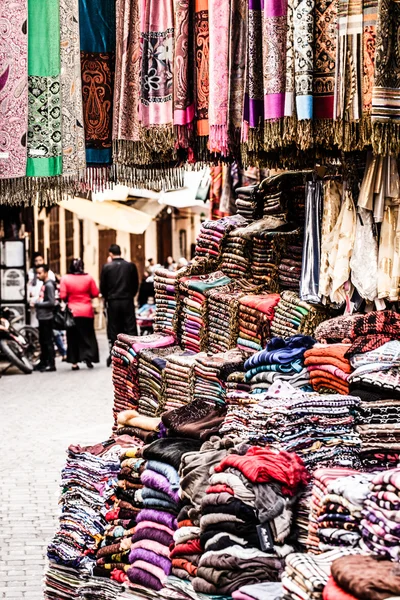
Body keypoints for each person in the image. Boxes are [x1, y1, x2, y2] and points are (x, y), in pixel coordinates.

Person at [100, 244, 139, 366]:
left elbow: (103, 287)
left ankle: (115, 353)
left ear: (110, 254)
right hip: (127, 300)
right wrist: (130, 295)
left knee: (114, 328)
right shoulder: (130, 266)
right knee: (130, 327)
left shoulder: (106, 267)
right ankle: (133, 353)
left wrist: (107, 298)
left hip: (113, 301)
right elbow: (135, 284)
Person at [59, 259, 100, 371]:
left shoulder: (65, 278)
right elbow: (95, 293)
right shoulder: (89, 278)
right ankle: (88, 357)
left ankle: (74, 362)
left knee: (72, 337)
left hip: (73, 312)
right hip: (87, 311)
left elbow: (62, 295)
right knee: (87, 335)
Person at [32, 264, 56, 372]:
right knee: (43, 341)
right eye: (37, 273)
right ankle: (44, 362)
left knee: (47, 341)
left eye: (40, 273)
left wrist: (37, 304)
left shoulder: (49, 285)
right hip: (42, 317)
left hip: (47, 317)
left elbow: (51, 302)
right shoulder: (45, 284)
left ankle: (51, 364)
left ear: (46, 273)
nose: (38, 275)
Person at [28, 252, 55, 327]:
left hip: (44, 304)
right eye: (36, 261)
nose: (38, 262)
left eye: (40, 260)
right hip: (34, 301)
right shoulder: (30, 272)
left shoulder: (49, 275)